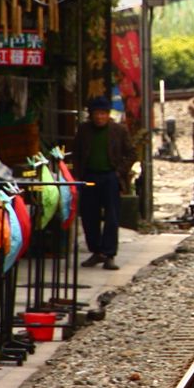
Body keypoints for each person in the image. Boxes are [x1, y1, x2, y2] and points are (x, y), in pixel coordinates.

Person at [71, 96, 135, 270]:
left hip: (110, 178)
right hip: (89, 177)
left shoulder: (118, 130)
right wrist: (78, 174)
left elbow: (131, 153)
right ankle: (96, 251)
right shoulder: (84, 130)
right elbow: (75, 153)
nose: (99, 117)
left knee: (112, 217)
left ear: (108, 115)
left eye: (103, 113)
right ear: (91, 115)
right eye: (96, 114)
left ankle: (109, 254)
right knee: (89, 216)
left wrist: (119, 172)